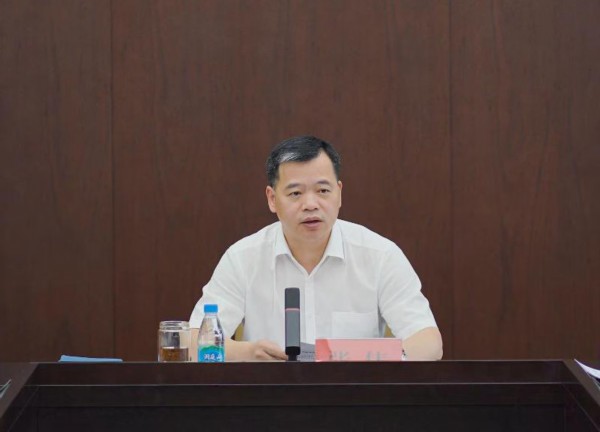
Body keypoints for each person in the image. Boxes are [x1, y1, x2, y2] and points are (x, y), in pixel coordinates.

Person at [190, 136, 442, 361]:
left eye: (322, 190)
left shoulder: (380, 256)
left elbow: (429, 342)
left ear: (339, 193)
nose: (311, 204)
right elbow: (192, 342)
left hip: (355, 395)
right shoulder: (242, 259)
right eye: (295, 193)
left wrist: (374, 360)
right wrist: (247, 353)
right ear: (272, 199)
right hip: (271, 395)